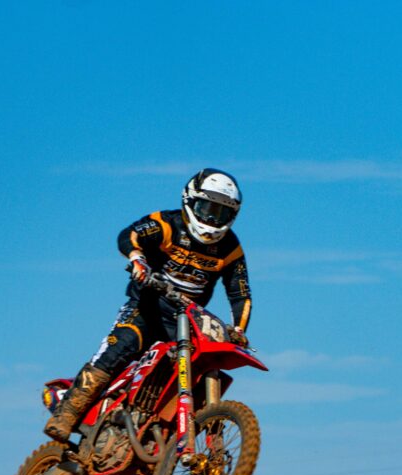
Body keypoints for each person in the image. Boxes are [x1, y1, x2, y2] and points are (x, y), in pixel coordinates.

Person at [44, 168, 252, 442]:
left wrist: (238, 329)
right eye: (207, 209)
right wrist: (137, 259)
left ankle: (171, 435)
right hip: (146, 309)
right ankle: (66, 414)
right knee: (118, 349)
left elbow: (240, 294)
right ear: (190, 201)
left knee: (199, 366)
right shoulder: (166, 224)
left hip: (187, 322)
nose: (213, 219)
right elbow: (130, 234)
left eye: (221, 213)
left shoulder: (231, 248)